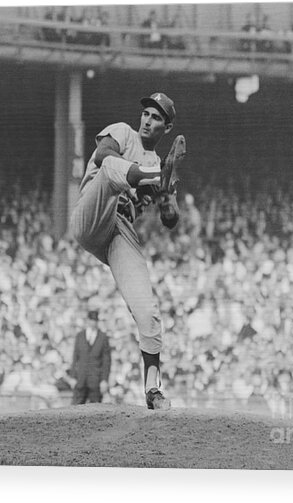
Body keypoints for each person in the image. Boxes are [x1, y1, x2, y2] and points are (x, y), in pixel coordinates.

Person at [69, 92, 185, 410]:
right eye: (146, 113)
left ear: (167, 126)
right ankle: (150, 178)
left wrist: (166, 194)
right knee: (110, 169)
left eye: (157, 117)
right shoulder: (123, 131)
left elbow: (171, 220)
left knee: (148, 312)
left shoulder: (160, 164)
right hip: (92, 212)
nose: (148, 120)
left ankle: (152, 390)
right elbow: (101, 157)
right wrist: (156, 177)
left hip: (120, 229)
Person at [69, 310, 112, 404]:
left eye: (95, 320)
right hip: (81, 379)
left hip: (95, 380)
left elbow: (106, 361)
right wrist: (72, 376)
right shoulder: (80, 336)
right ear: (88, 321)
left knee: (95, 409)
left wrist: (104, 380)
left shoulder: (103, 337)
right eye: (92, 320)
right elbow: (75, 358)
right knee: (75, 407)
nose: (93, 323)